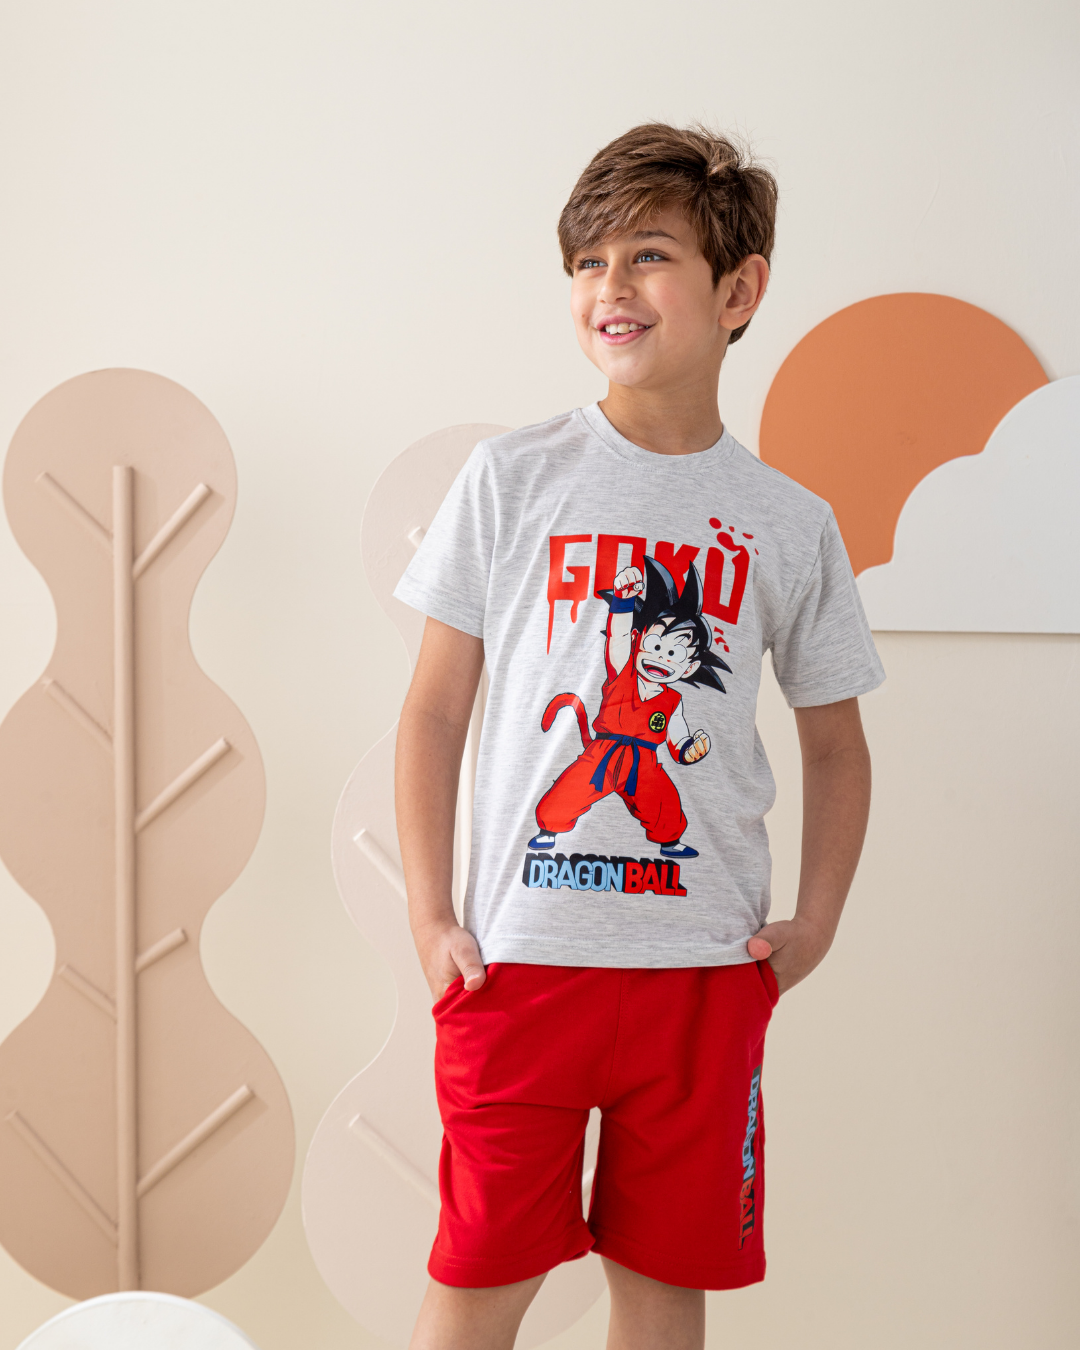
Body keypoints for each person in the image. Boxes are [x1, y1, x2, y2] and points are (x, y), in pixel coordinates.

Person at [393, 122, 884, 1350]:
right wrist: (431, 915)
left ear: (739, 291)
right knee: (479, 1275)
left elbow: (835, 742)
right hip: (519, 966)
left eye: (649, 255)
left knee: (666, 1285)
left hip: (704, 978)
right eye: (588, 261)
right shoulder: (512, 478)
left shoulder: (786, 521)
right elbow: (436, 709)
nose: (610, 285)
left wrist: (816, 922)